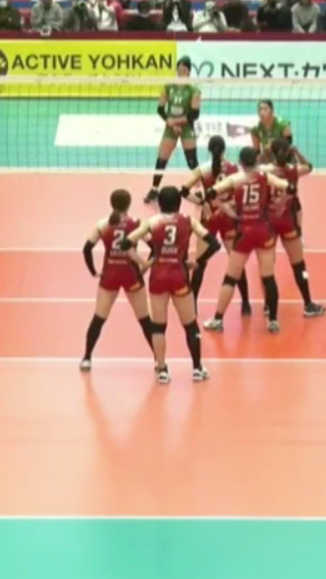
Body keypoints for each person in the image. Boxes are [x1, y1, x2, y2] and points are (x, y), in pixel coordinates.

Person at [121, 186, 221, 384]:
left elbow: (125, 243)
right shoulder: (188, 220)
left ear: (159, 204)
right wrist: (197, 262)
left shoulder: (152, 222)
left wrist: (145, 262)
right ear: (179, 203)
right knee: (190, 325)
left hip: (158, 276)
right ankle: (197, 368)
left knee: (159, 327)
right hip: (179, 275)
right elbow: (214, 244)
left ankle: (162, 370)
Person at [201, 147, 293, 334]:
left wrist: (225, 208)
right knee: (268, 277)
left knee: (230, 278)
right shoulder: (265, 177)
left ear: (241, 162)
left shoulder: (235, 179)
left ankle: (218, 319)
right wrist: (280, 203)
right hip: (262, 230)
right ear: (256, 160)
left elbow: (210, 193)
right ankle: (273, 320)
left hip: (244, 231)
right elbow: (290, 188)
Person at [81, 189, 156, 370]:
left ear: (111, 203)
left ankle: (86, 358)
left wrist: (94, 271)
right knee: (145, 320)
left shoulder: (103, 224)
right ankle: (159, 360)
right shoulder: (137, 224)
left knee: (99, 318)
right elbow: (155, 247)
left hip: (110, 275)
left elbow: (87, 249)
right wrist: (146, 266)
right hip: (131, 275)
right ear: (128, 204)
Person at [177, 136, 250, 314]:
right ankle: (246, 304)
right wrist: (229, 204)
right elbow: (242, 194)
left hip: (208, 219)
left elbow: (183, 191)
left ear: (209, 150)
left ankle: (193, 305)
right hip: (228, 219)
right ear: (224, 149)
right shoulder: (235, 169)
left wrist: (203, 202)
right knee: (236, 263)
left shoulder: (203, 169)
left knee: (201, 263)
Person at [266, 138, 325, 318]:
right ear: (289, 152)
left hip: (269, 222)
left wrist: (266, 153)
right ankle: (308, 304)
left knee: (267, 265)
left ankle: (268, 305)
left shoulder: (264, 172)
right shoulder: (294, 170)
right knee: (299, 265)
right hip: (288, 222)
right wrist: (297, 152)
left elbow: (249, 168)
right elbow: (309, 166)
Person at [145, 57, 201, 204]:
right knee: (161, 159)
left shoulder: (193, 90)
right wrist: (170, 123)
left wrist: (176, 122)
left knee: (192, 160)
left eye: (184, 70)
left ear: (189, 72)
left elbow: (194, 114)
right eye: (179, 69)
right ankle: (154, 189)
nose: (181, 72)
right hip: (170, 128)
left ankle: (199, 190)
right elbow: (160, 109)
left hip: (186, 127)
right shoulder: (168, 87)